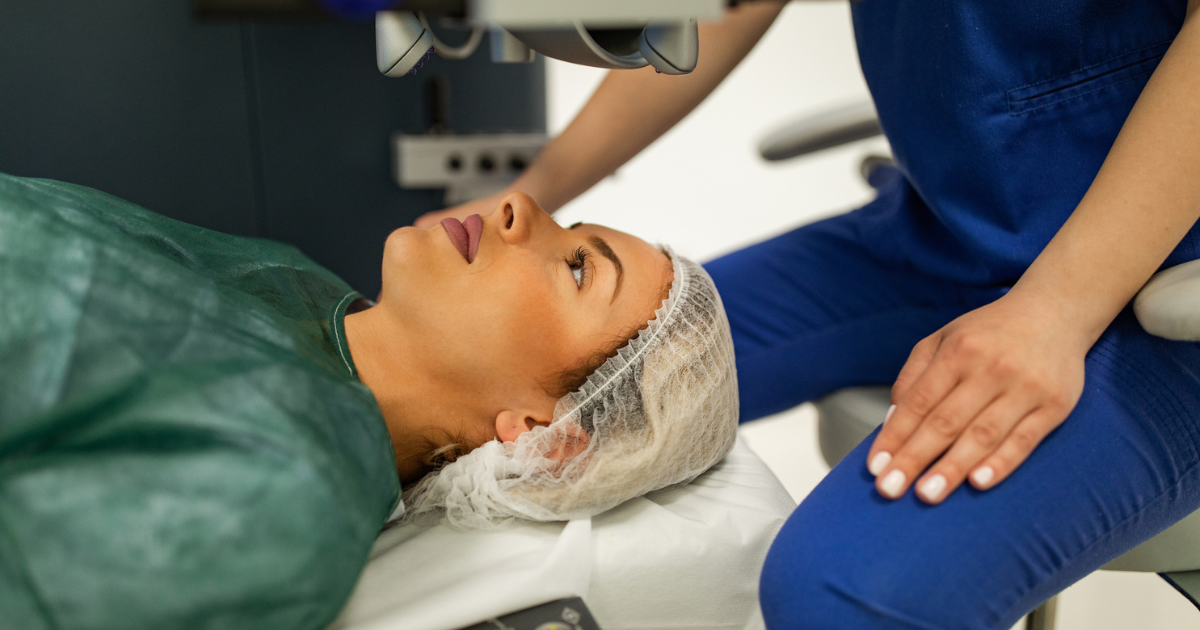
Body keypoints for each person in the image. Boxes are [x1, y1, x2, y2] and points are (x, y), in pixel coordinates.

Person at [418, 0, 1200, 627]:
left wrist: (1056, 311)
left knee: (842, 594)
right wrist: (541, 185)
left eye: (584, 256)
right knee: (558, 368)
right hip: (946, 234)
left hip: (1163, 285)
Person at [0, 172, 738, 629]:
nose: (520, 206)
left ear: (545, 430)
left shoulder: (286, 502)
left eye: (579, 270)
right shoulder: (298, 287)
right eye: (572, 230)